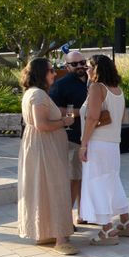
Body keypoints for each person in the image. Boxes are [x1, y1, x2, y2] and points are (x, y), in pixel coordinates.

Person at [17, 58, 77, 255]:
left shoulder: (33, 93)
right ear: (41, 73)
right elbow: (41, 125)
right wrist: (65, 121)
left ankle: (46, 232)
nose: (54, 74)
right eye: (51, 70)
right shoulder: (38, 95)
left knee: (43, 187)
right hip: (45, 148)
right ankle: (61, 237)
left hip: (40, 146)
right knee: (56, 186)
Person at [78, 55, 129, 244]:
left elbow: (92, 118)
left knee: (97, 183)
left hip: (97, 143)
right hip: (113, 144)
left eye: (88, 67)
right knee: (112, 181)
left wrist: (84, 144)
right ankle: (126, 222)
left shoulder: (96, 87)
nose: (86, 70)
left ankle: (107, 230)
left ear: (96, 68)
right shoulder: (117, 90)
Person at [49, 51, 88, 216]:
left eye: (82, 62)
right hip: (72, 138)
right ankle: (66, 220)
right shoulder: (61, 84)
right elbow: (54, 110)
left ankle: (83, 214)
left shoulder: (93, 80)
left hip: (91, 137)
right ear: (67, 66)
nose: (80, 66)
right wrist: (81, 112)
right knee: (74, 178)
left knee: (85, 179)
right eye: (75, 64)